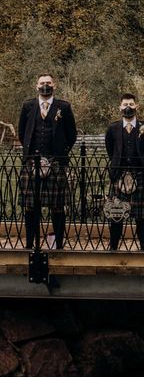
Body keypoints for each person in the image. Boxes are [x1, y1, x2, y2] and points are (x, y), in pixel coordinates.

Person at [18, 73, 77, 249]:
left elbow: (71, 134)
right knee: (30, 207)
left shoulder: (63, 107)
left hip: (56, 161)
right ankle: (30, 243)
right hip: (32, 161)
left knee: (57, 206)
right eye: (42, 83)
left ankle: (58, 243)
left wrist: (60, 153)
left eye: (48, 83)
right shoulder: (28, 106)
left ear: (54, 86)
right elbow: (23, 133)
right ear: (37, 86)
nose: (45, 86)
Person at [104, 94, 144, 251]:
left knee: (141, 217)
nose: (128, 107)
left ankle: (143, 248)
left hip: (139, 175)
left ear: (136, 106)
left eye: (131, 104)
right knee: (116, 214)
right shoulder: (112, 128)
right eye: (125, 104)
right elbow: (110, 150)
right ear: (120, 107)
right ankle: (113, 247)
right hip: (118, 175)